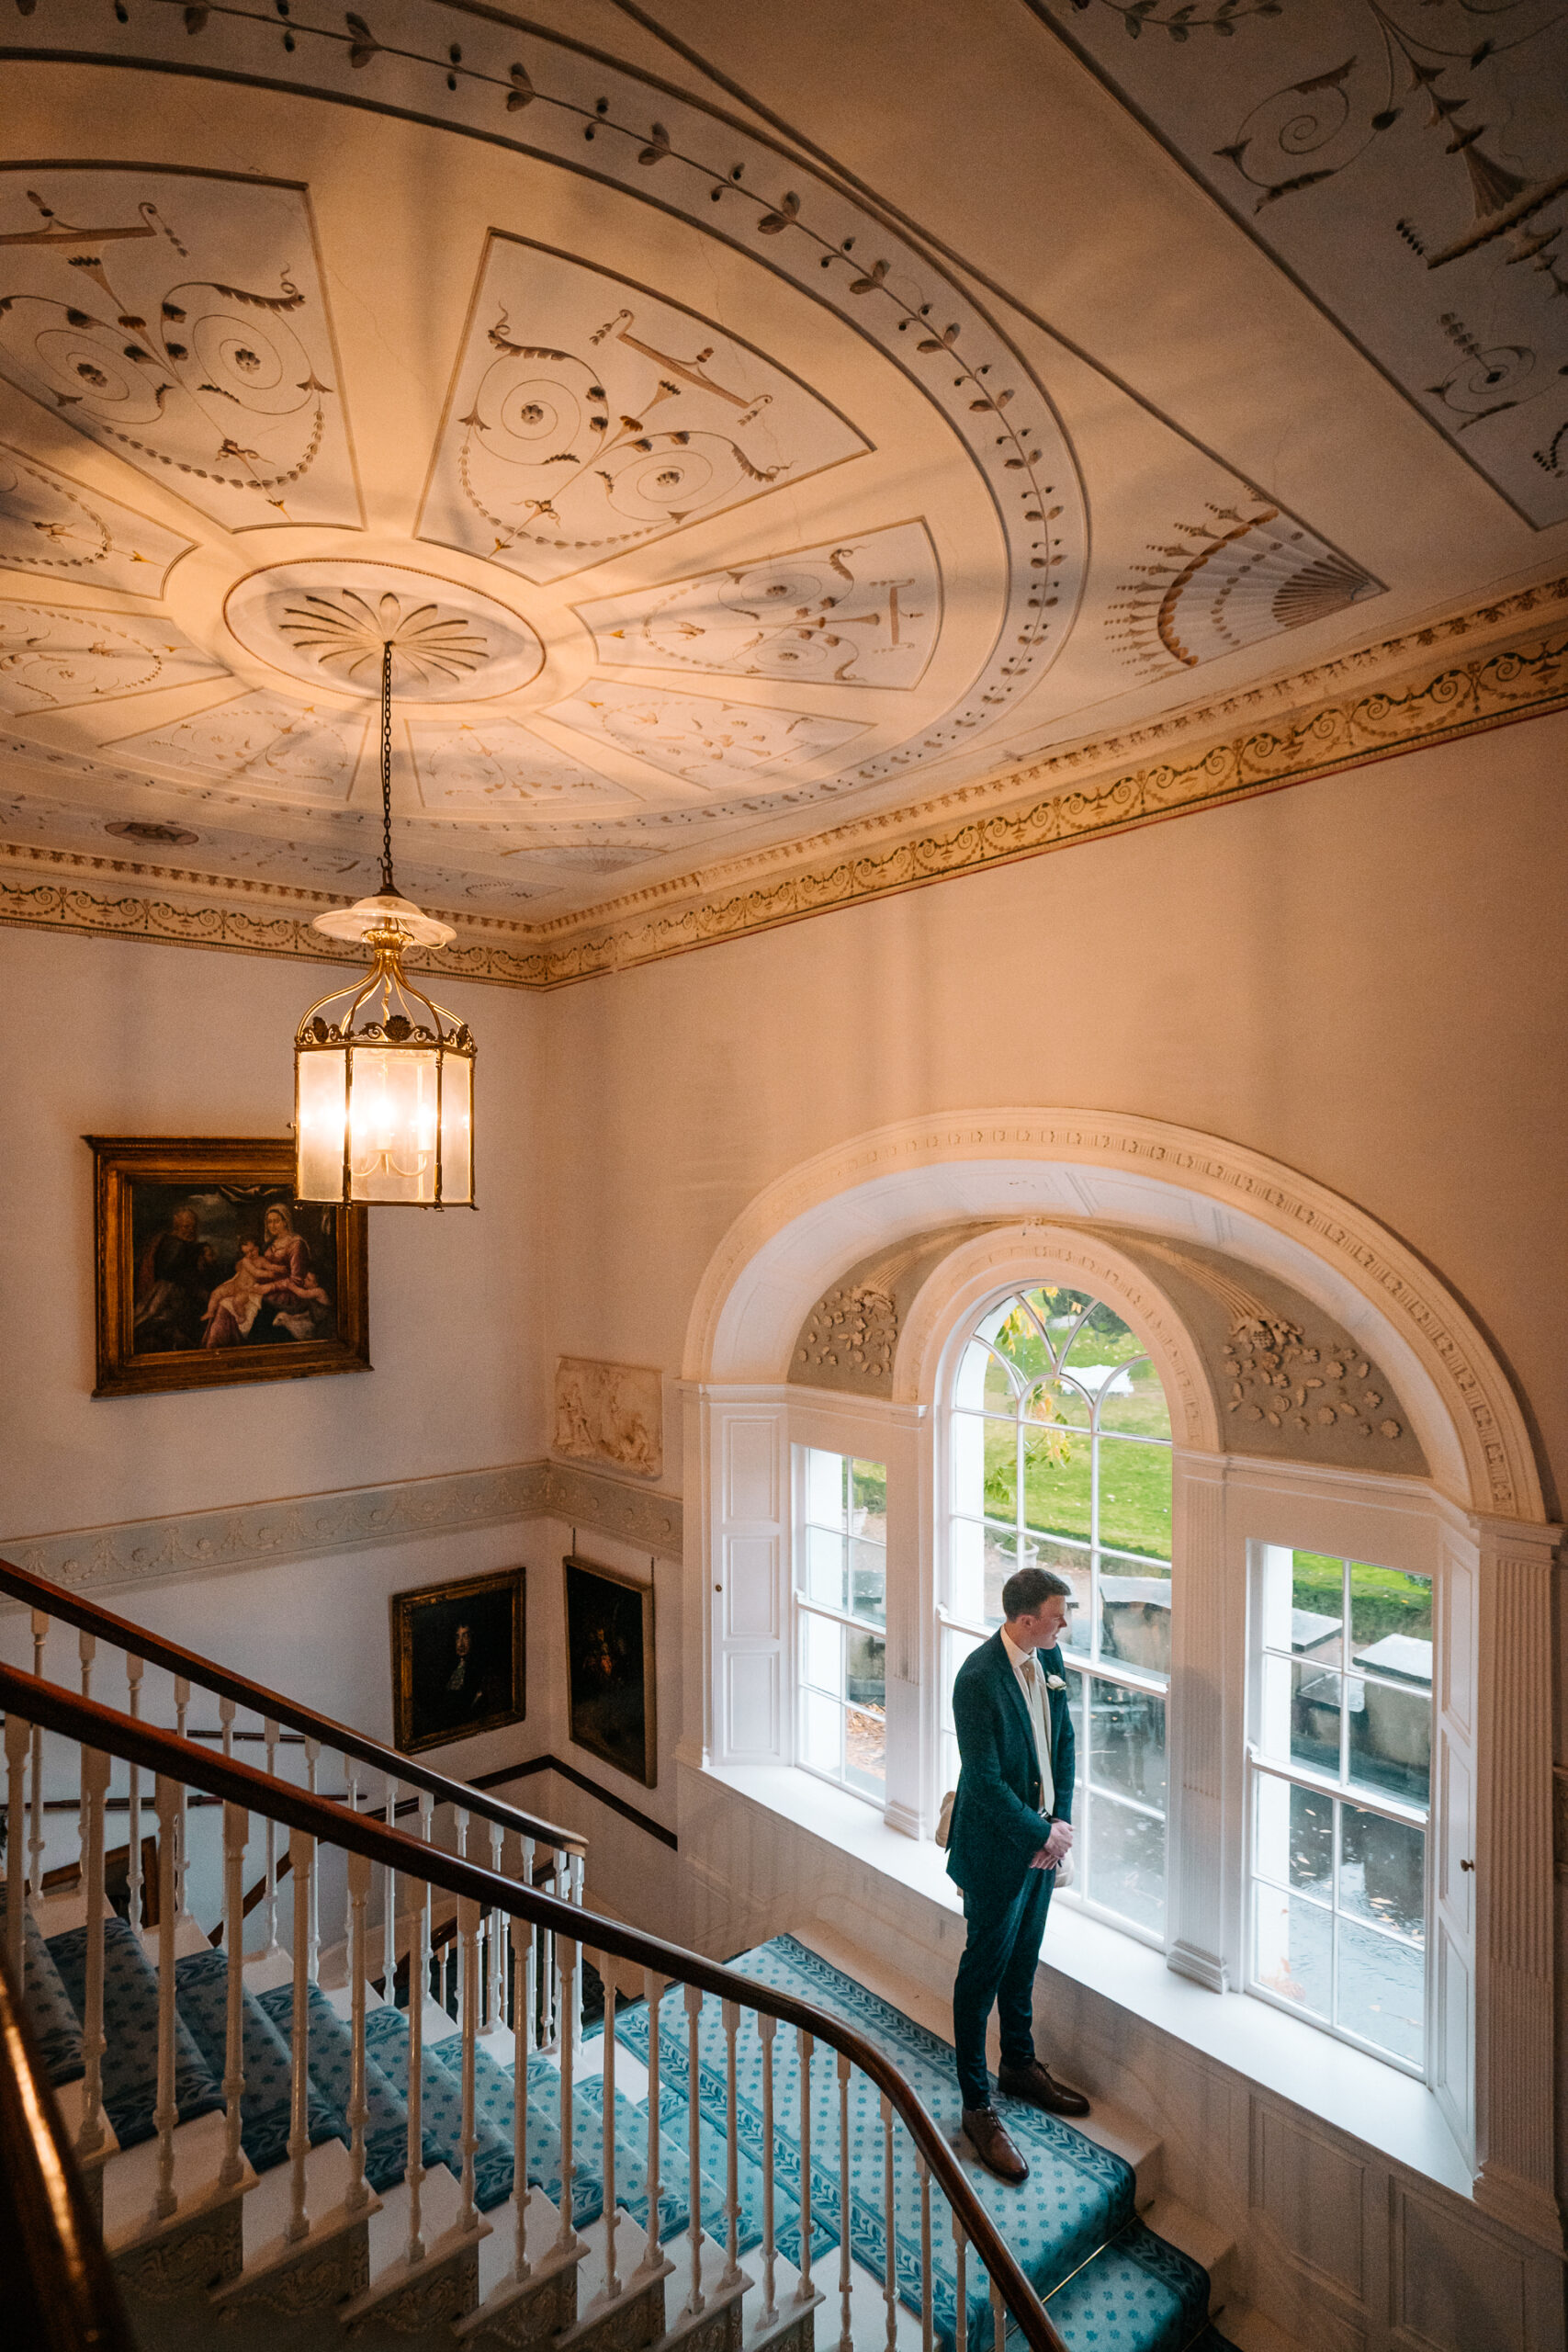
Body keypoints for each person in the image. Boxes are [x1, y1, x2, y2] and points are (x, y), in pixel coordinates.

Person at [945, 1563, 1089, 2185]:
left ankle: (1020, 2066)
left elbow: (1064, 1745)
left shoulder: (1050, 1661)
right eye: (1059, 1613)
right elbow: (980, 1780)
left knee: (1023, 1961)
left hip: (1040, 1848)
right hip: (996, 1852)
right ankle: (978, 2108)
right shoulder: (976, 1679)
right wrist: (1036, 1834)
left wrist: (1057, 1828)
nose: (1065, 1623)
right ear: (1025, 1618)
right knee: (981, 1976)